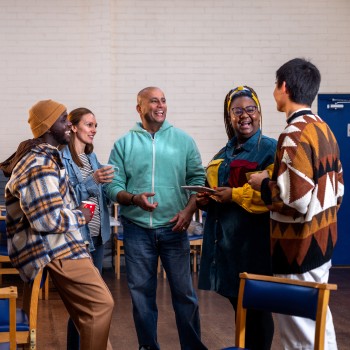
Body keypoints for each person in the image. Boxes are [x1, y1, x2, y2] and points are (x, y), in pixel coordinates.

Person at [0, 100, 114, 350]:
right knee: (101, 305)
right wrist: (80, 216)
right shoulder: (38, 163)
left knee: (91, 315)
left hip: (66, 244)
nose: (69, 126)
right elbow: (47, 219)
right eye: (63, 120)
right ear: (48, 126)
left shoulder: (47, 158)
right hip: (57, 247)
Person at [249, 58, 344, 349]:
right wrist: (277, 176)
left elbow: (295, 202)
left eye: (275, 85)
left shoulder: (293, 134)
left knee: (298, 333)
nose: (274, 92)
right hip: (323, 240)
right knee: (319, 323)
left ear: (284, 87)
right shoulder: (323, 128)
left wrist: (262, 184)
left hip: (298, 247)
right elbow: (337, 189)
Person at [105, 87, 208, 350]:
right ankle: (148, 347)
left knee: (185, 295)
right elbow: (113, 186)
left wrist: (187, 212)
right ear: (139, 108)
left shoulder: (183, 141)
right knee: (141, 297)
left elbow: (198, 180)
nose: (160, 105)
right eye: (153, 101)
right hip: (137, 229)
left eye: (163, 100)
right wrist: (132, 198)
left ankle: (193, 347)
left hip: (175, 227)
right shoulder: (123, 144)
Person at [196, 86, 277, 350]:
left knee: (257, 313)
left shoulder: (271, 150)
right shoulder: (222, 155)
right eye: (237, 111)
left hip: (254, 248)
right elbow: (219, 197)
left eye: (250, 109)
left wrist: (234, 195)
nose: (245, 115)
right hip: (226, 248)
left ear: (259, 112)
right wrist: (207, 200)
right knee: (240, 310)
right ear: (229, 116)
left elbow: (273, 196)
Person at [60, 107, 115, 350]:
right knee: (83, 303)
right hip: (78, 239)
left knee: (92, 305)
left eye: (95, 126)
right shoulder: (61, 157)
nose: (94, 130)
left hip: (97, 235)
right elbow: (68, 197)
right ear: (73, 126)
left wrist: (111, 188)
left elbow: (99, 194)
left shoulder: (91, 158)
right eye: (89, 125)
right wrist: (94, 181)